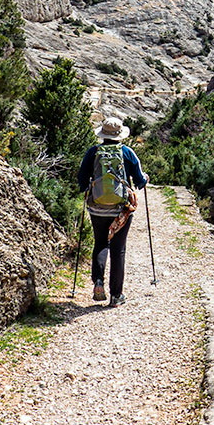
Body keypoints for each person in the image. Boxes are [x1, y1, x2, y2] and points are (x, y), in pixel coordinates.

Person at [77, 116, 148, 307]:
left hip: (97, 208)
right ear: (119, 135)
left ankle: (98, 282)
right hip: (121, 210)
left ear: (103, 134)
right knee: (118, 249)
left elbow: (82, 181)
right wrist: (145, 179)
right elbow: (140, 181)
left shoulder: (93, 152)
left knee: (100, 243)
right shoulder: (127, 152)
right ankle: (116, 295)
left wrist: (88, 188)